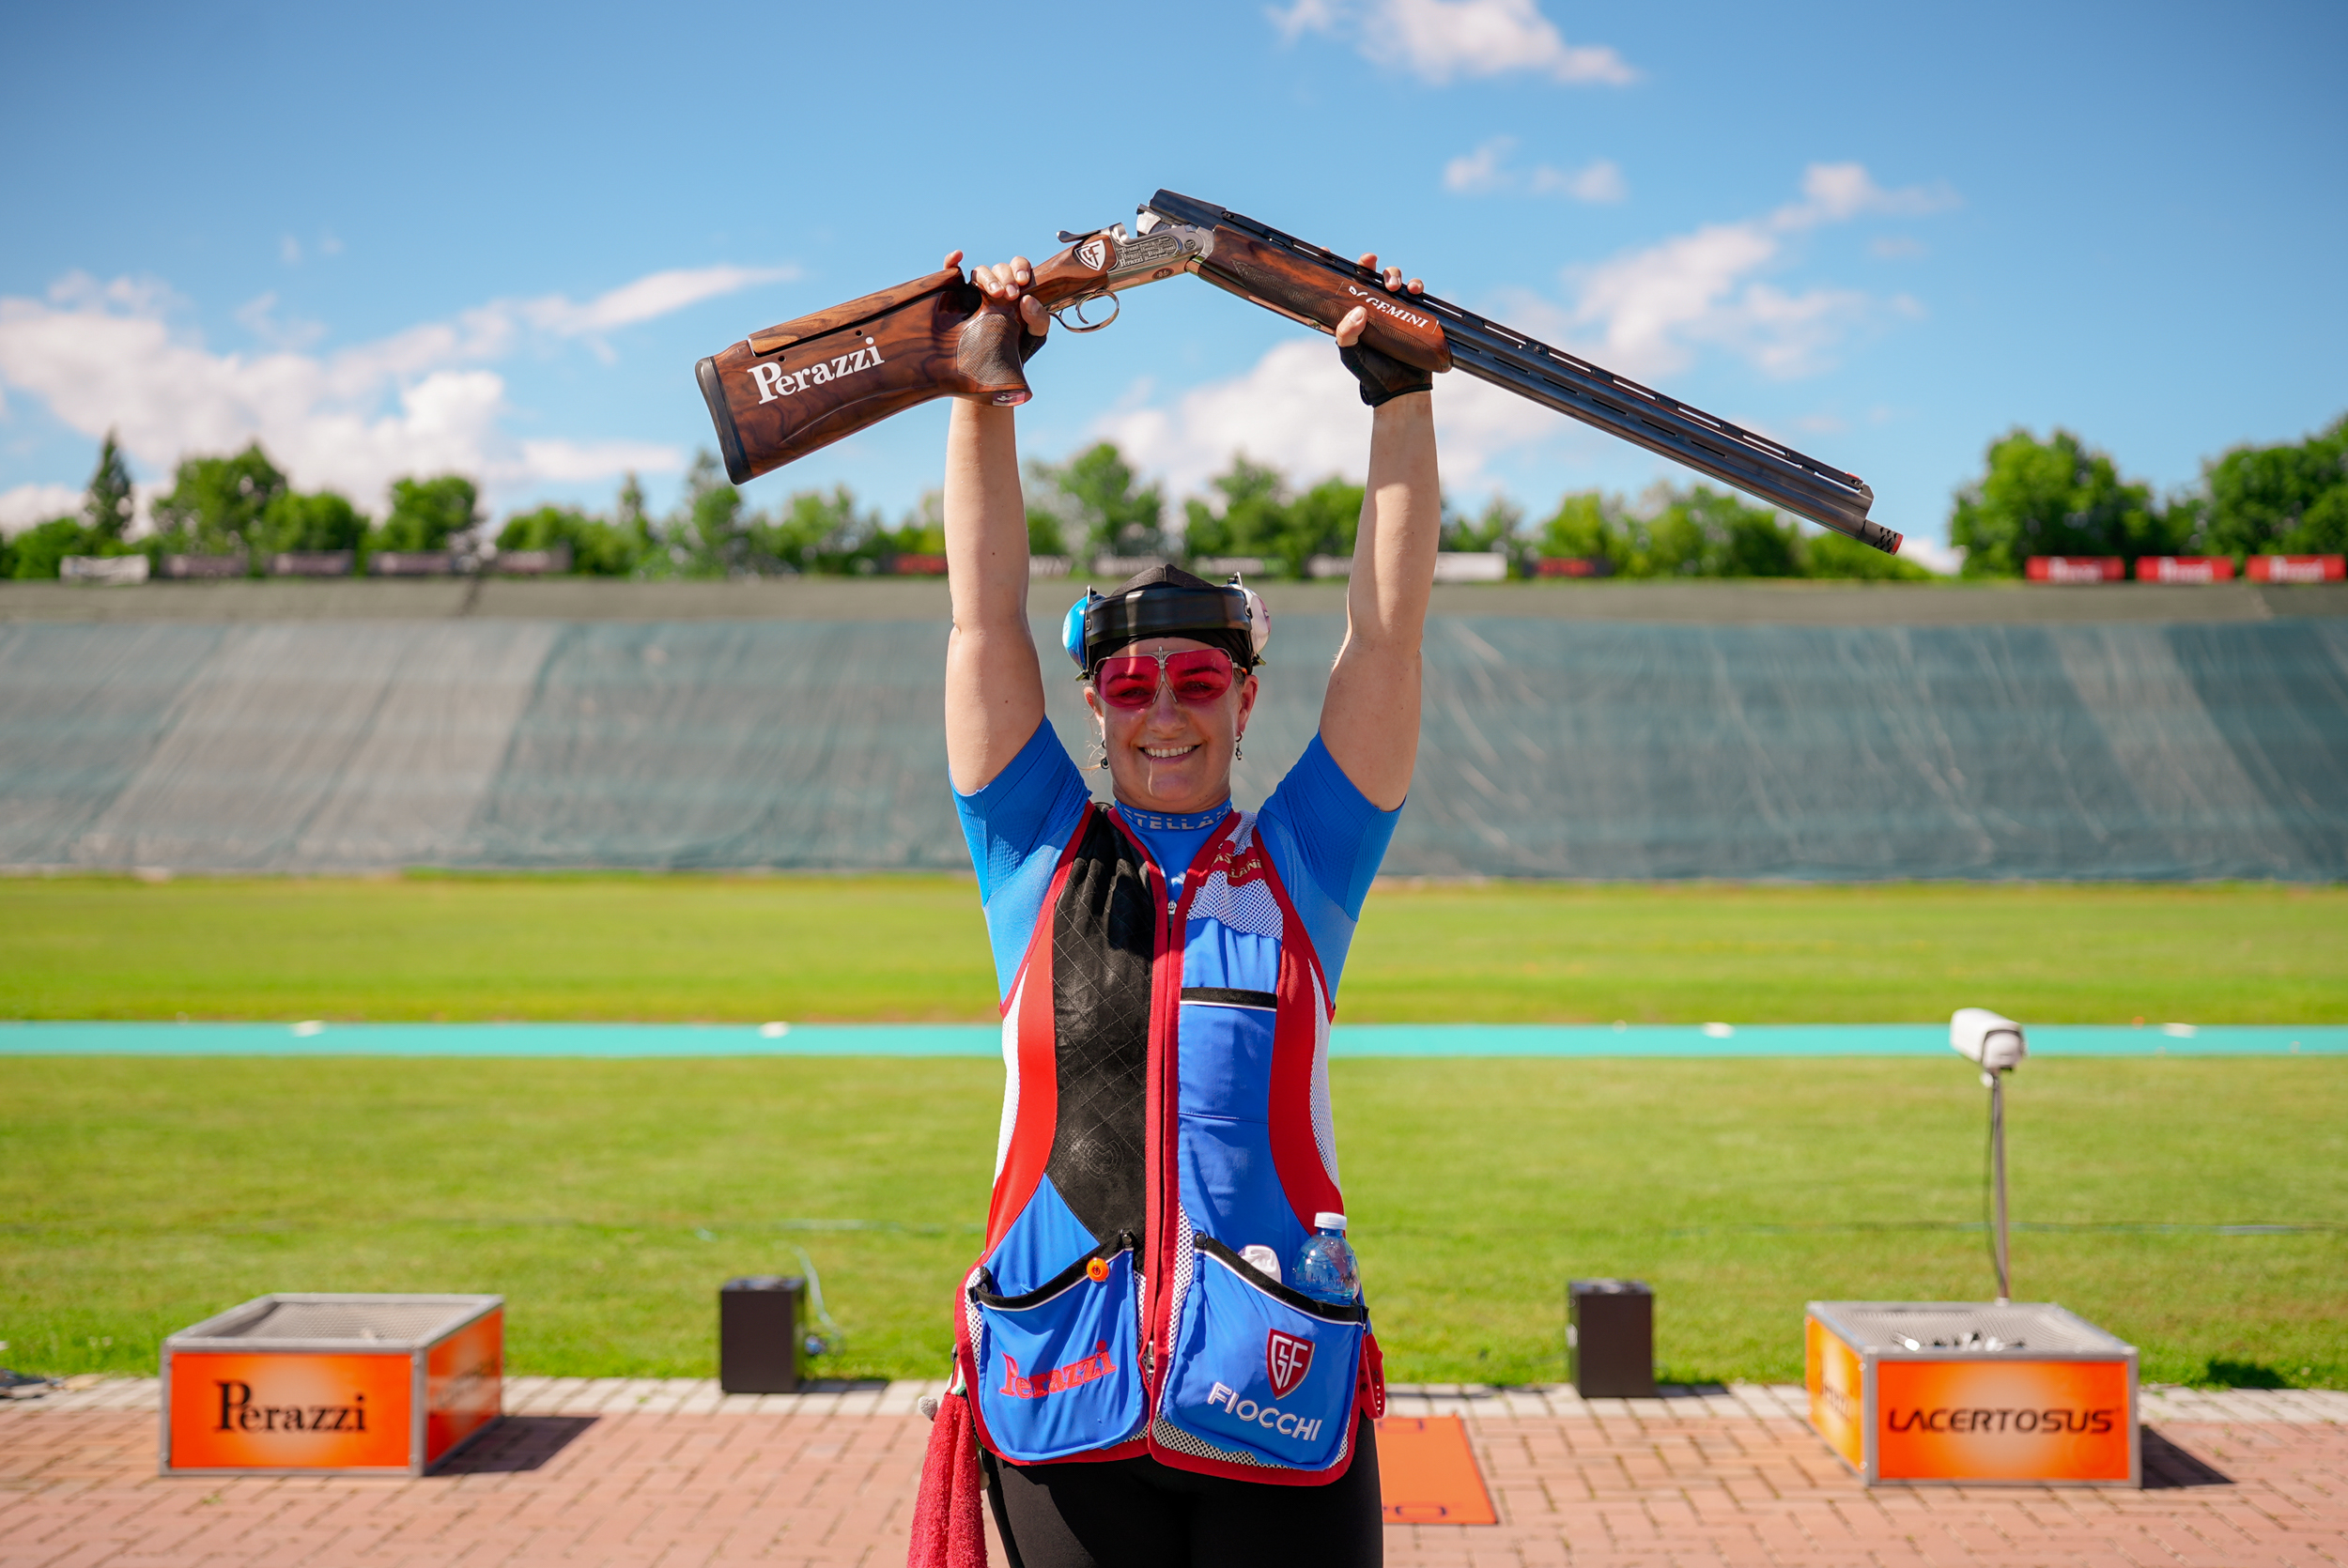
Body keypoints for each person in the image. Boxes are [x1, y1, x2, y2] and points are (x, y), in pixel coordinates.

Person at [935, 245, 1443, 1568]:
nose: (1167, 708)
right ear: (1095, 707)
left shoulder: (1305, 866)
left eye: (1201, 681)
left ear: (1246, 698)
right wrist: (979, 393)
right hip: (1060, 1390)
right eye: (1136, 682)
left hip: (1276, 1383)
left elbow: (1386, 639)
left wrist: (1399, 396)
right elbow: (984, 624)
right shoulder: (1032, 851)